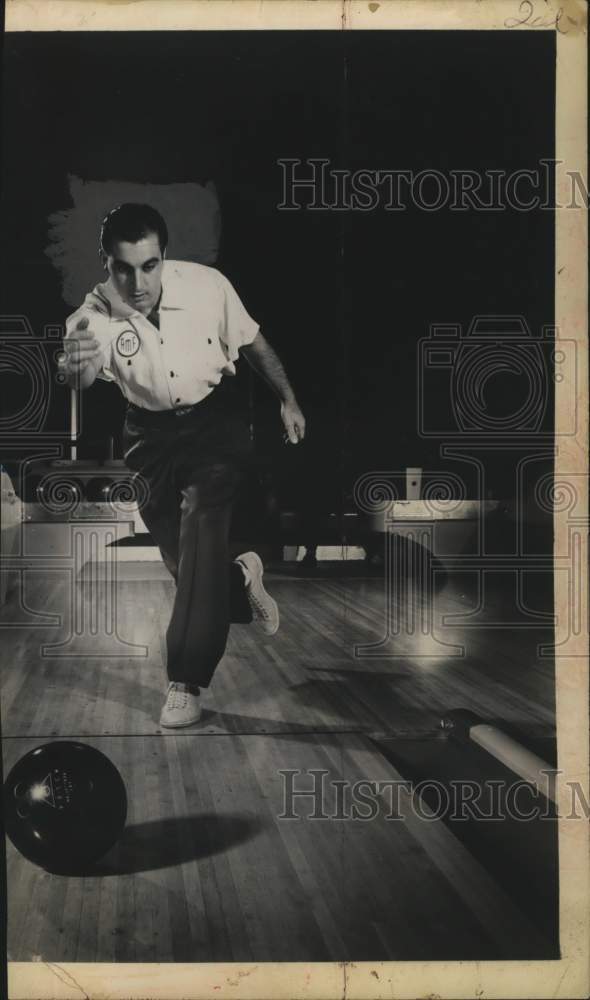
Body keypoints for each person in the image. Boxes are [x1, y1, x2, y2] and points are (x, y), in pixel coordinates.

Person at [59, 203, 306, 727]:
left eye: (149, 266)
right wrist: (76, 366)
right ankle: (238, 576)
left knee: (201, 528)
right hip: (147, 436)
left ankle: (185, 681)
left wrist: (288, 398)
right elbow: (83, 370)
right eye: (123, 268)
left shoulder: (208, 287)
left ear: (164, 256)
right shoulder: (92, 314)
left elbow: (253, 343)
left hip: (214, 425)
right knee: (181, 553)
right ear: (106, 263)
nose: (137, 283)